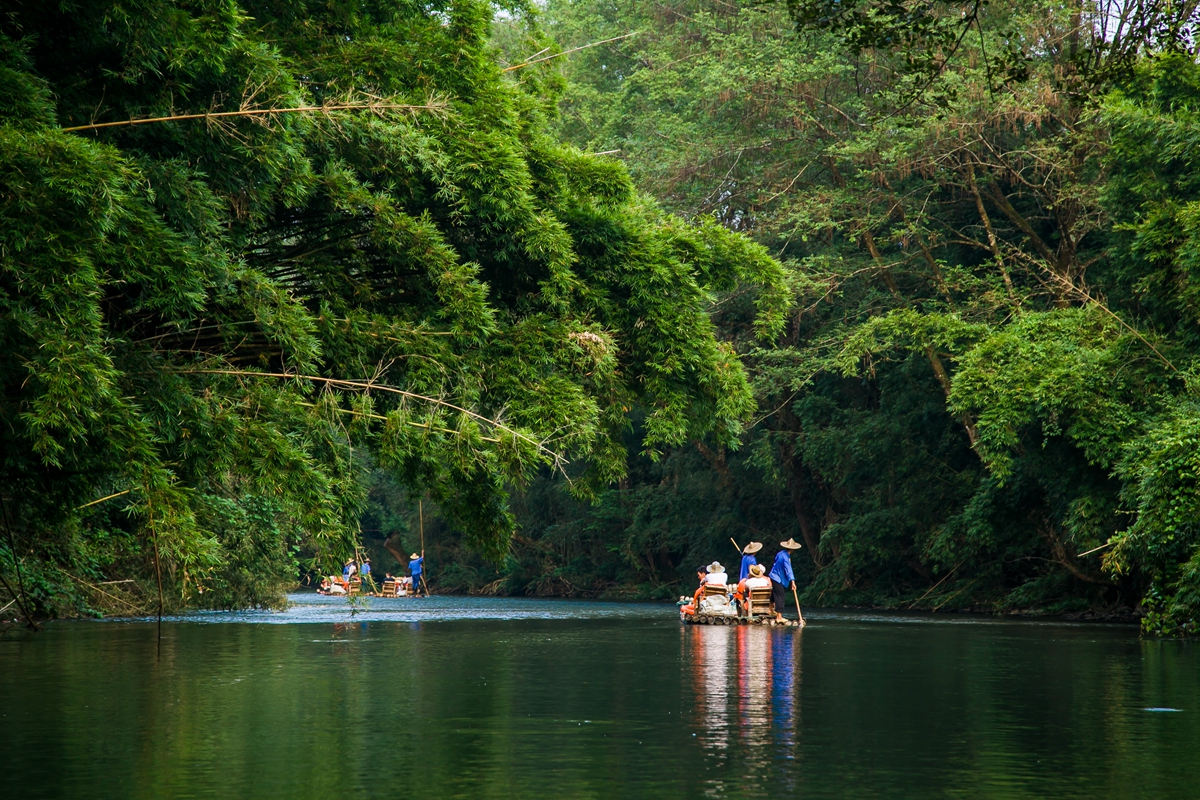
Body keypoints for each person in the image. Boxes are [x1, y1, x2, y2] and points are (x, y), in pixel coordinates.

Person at [769, 539, 802, 622]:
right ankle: (779, 616)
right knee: (781, 595)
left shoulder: (780, 553)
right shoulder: (786, 557)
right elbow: (788, 570)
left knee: (775, 592)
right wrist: (793, 582)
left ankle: (770, 609)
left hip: (773, 575)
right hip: (776, 577)